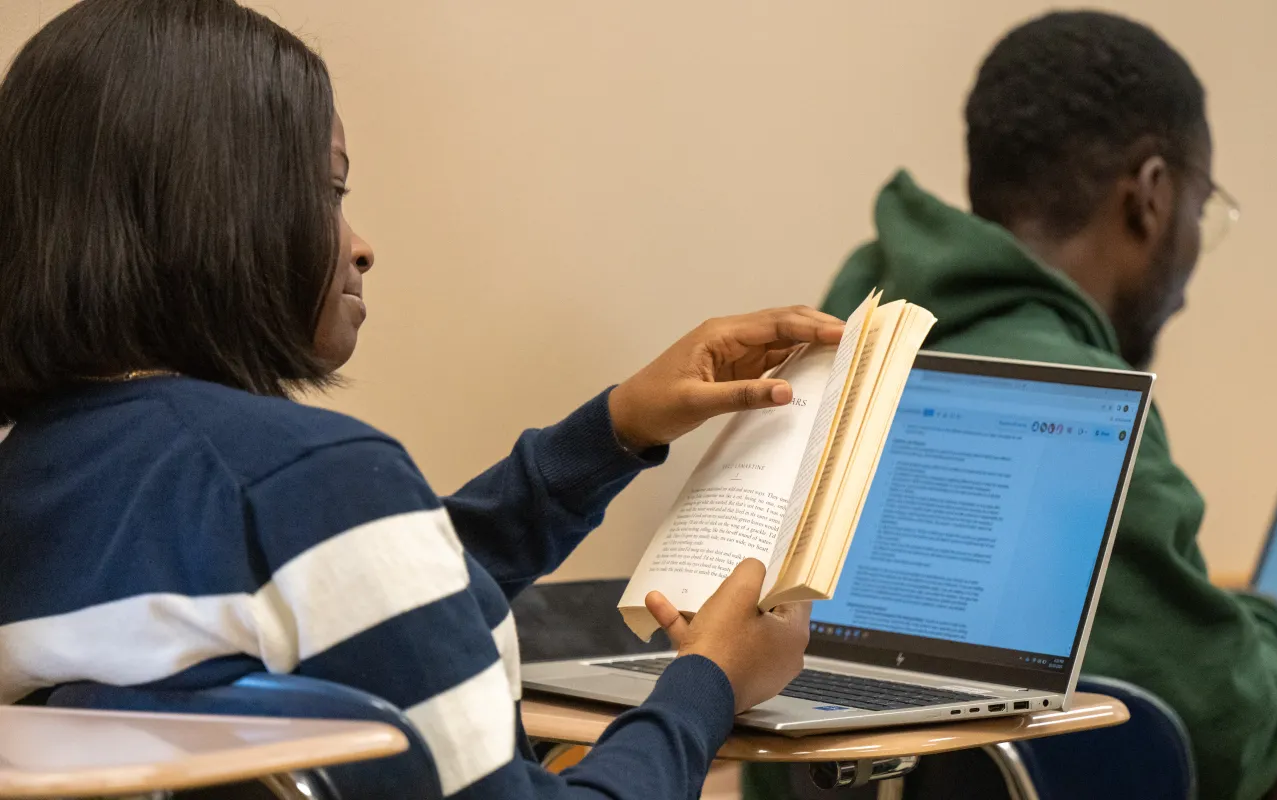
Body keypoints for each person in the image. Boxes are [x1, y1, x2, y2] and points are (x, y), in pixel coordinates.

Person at [0, 1, 835, 798]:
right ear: (209, 208)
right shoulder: (305, 479)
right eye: (332, 193)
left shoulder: (46, 478)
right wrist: (707, 685)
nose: (361, 248)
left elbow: (373, 602)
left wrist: (612, 432)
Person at [746, 11, 1277, 800]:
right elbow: (1217, 729)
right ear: (1150, 195)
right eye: (1198, 209)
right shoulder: (1074, 400)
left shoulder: (848, 342)